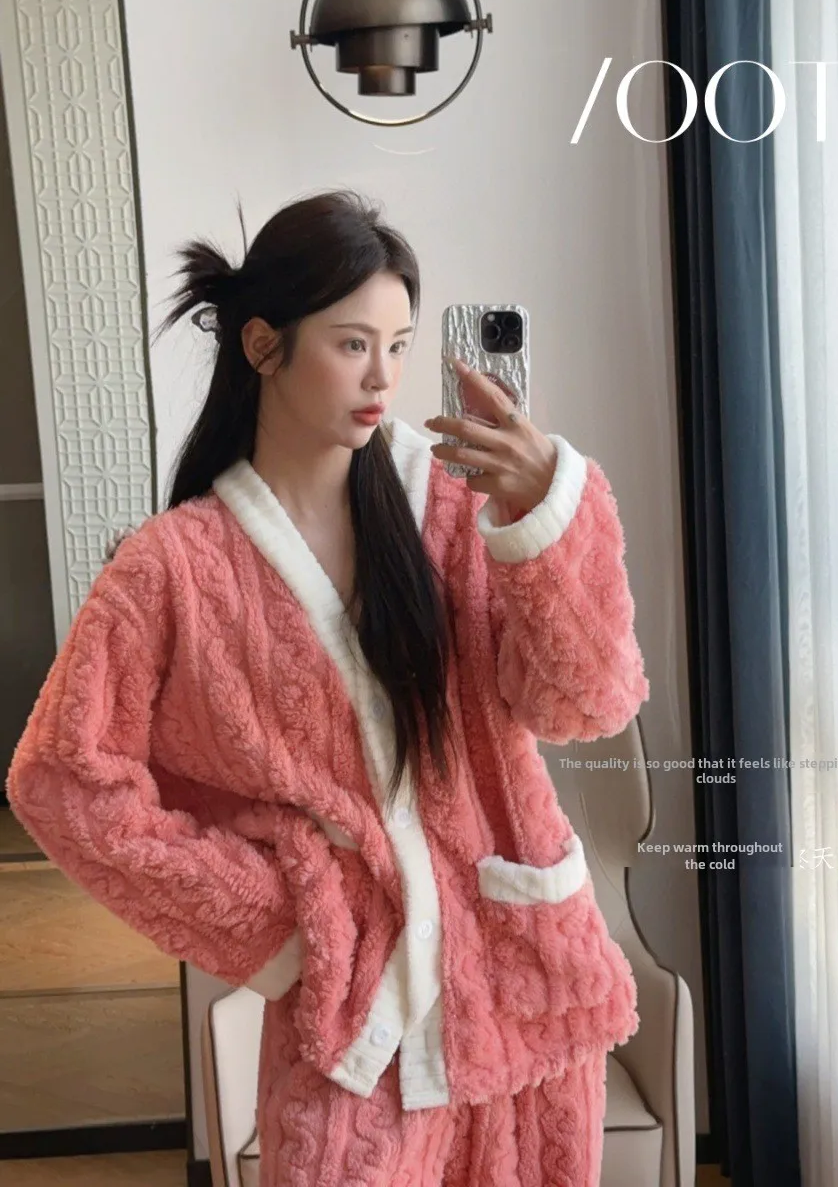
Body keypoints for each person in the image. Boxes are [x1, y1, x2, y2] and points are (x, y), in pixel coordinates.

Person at [6, 189, 651, 1186]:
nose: (384, 377)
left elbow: (586, 703)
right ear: (264, 346)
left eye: (399, 345)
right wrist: (281, 930)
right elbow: (63, 781)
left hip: (521, 987)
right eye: (353, 345)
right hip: (356, 1016)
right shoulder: (173, 568)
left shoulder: (452, 510)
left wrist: (541, 522)